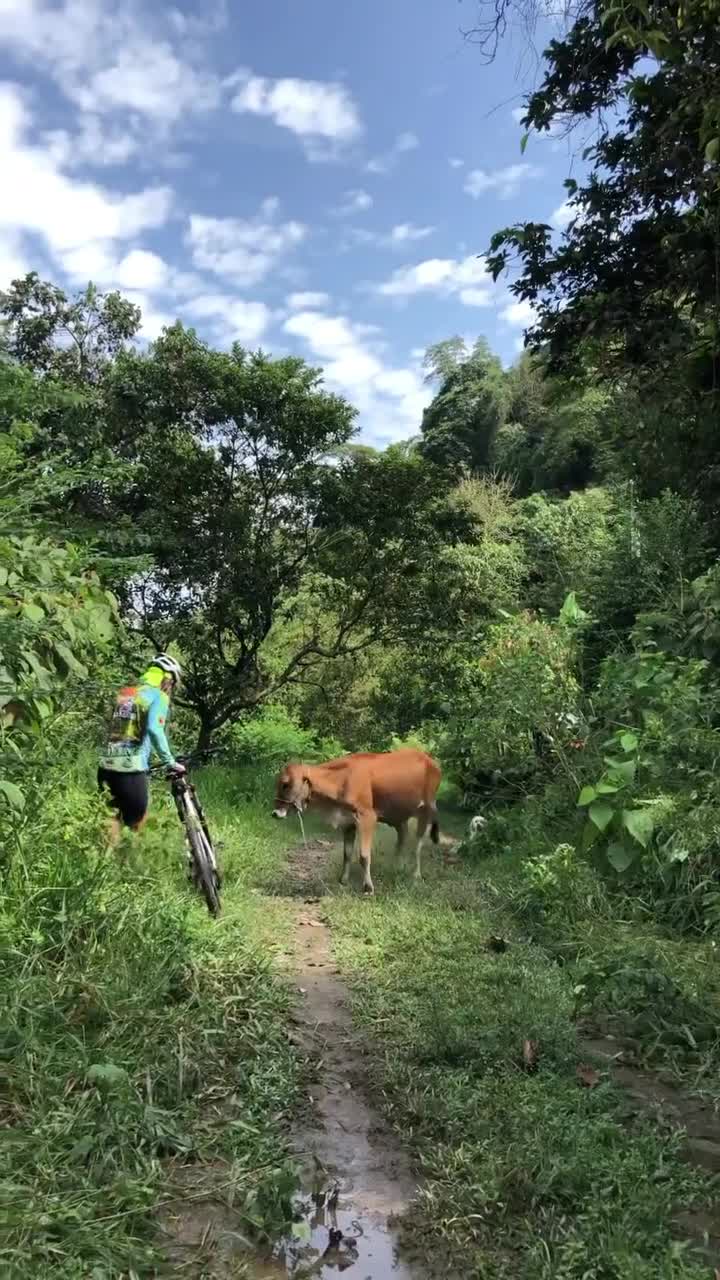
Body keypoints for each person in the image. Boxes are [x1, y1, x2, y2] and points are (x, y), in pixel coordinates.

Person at [98, 654, 185, 845]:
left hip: (106, 767)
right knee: (137, 821)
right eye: (172, 685)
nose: (171, 689)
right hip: (130, 770)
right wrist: (169, 762)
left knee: (112, 818)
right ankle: (131, 867)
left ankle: (103, 867)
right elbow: (155, 729)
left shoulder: (127, 693)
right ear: (167, 679)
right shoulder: (158, 695)